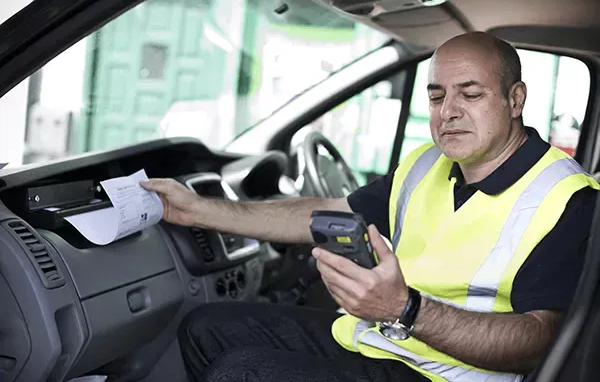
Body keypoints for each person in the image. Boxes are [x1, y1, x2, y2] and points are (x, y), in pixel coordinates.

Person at [141, 32, 599, 382]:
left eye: (471, 94)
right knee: (205, 328)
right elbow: (328, 213)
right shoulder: (427, 163)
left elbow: (539, 342)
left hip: (448, 375)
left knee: (243, 371)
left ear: (515, 99)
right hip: (385, 341)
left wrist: (404, 308)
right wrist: (198, 211)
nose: (448, 111)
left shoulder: (566, 199)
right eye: (436, 96)